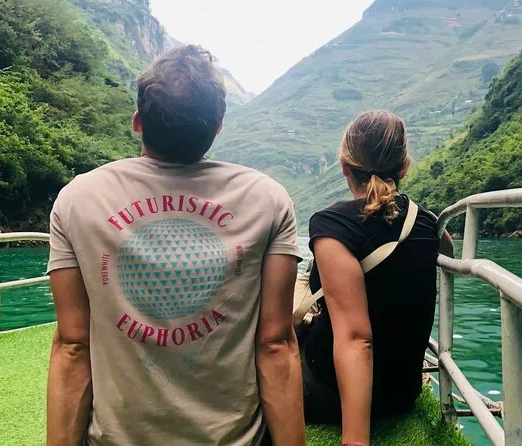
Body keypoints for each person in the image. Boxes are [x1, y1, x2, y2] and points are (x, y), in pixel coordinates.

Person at [46, 45, 306, 446]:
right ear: (217, 127)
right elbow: (276, 345)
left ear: (137, 122)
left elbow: (72, 346)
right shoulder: (267, 198)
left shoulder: (78, 199)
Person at [299, 110, 453, 446]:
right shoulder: (427, 222)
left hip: (329, 391)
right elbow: (449, 252)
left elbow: (357, 339)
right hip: (402, 394)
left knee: (272, 346)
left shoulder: (332, 224)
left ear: (344, 166)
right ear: (404, 167)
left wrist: (355, 440)